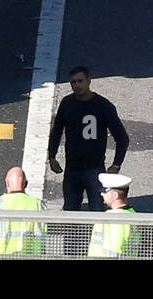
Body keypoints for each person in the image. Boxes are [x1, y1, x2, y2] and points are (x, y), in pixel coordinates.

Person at [48, 65, 130, 211]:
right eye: (73, 82)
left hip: (95, 168)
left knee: (98, 211)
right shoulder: (67, 103)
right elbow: (57, 131)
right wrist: (52, 157)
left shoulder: (103, 106)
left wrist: (117, 164)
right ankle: (71, 235)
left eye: (80, 81)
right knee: (70, 210)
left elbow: (122, 138)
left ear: (89, 81)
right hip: (72, 168)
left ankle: (95, 234)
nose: (77, 85)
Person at [0, 166, 46, 257]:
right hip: (26, 256)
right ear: (26, 184)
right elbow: (41, 235)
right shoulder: (36, 204)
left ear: (7, 182)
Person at [87, 174, 140, 259]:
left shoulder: (115, 218)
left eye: (105, 191)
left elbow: (116, 249)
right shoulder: (131, 213)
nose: (101, 194)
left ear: (115, 195)